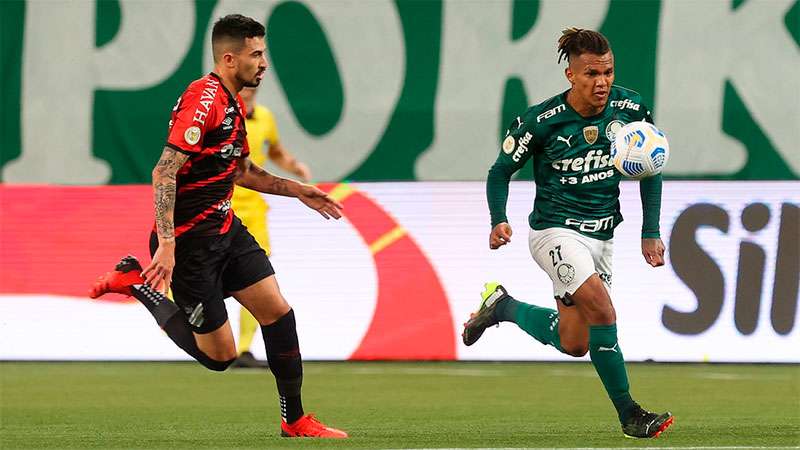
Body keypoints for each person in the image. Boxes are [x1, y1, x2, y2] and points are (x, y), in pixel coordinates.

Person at [90, 14, 347, 439]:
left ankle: (294, 419)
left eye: (264, 53)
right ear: (230, 58)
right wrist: (168, 245)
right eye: (256, 54)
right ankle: (137, 283)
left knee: (278, 313)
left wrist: (298, 190)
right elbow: (164, 172)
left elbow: (242, 171)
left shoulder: (233, 104)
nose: (264, 63)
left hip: (226, 230)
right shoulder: (204, 100)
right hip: (190, 247)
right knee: (220, 356)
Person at [463, 28, 673, 439]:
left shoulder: (631, 108)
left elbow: (651, 170)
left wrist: (650, 230)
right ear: (570, 76)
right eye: (591, 73)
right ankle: (630, 414)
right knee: (603, 312)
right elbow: (499, 171)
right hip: (554, 234)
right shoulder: (540, 122)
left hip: (602, 236)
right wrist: (497, 219)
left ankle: (501, 307)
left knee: (574, 342)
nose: (602, 82)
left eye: (608, 72)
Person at [231, 86, 312, 369]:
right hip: (223, 205)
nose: (250, 93)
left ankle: (243, 348)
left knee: (255, 277)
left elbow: (275, 151)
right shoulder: (224, 117)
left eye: (254, 89)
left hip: (253, 209)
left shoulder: (265, 117)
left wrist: (294, 166)